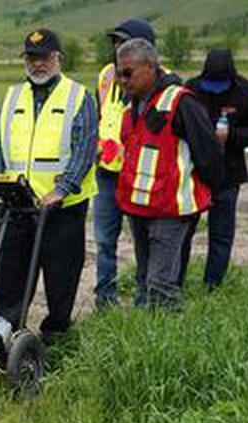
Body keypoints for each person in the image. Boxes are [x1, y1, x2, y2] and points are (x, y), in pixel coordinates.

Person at [0, 28, 98, 339]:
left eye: (44, 57)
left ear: (57, 58)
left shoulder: (79, 97)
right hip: (18, 205)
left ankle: (55, 338)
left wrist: (60, 190)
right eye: (31, 58)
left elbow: (85, 149)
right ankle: (5, 335)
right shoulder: (12, 97)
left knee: (61, 278)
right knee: (9, 277)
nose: (38, 64)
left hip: (62, 208)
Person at [113, 38, 223, 308]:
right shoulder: (132, 105)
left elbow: (208, 153)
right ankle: (147, 339)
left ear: (150, 67)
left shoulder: (181, 102)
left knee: (161, 285)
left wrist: (208, 192)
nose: (122, 80)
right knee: (144, 279)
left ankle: (173, 343)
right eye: (119, 73)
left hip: (171, 210)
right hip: (139, 208)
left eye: (128, 73)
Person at [179, 48, 248, 290]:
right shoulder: (191, 89)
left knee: (221, 234)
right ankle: (175, 282)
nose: (215, 90)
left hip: (228, 176)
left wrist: (232, 136)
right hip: (193, 176)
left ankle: (212, 285)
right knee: (183, 232)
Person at [93, 19, 157, 308]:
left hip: (138, 174)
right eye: (115, 42)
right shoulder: (106, 75)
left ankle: (145, 299)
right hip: (107, 173)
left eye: (124, 42)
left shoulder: (154, 81)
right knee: (104, 241)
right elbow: (99, 113)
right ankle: (105, 300)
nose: (117, 48)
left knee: (144, 242)